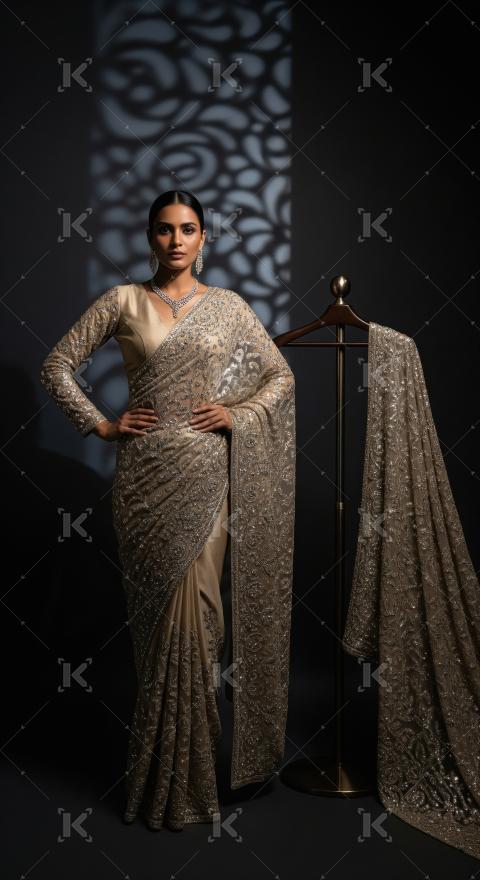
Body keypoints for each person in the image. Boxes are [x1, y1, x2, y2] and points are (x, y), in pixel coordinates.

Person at [40, 190, 296, 831]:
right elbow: (58, 366)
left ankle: (195, 778)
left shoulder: (229, 308)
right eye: (164, 230)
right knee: (158, 632)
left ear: (205, 237)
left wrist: (237, 414)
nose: (176, 240)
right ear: (149, 238)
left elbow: (279, 377)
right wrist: (101, 425)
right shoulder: (123, 302)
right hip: (145, 479)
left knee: (201, 621)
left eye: (188, 229)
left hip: (208, 478)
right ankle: (159, 777)